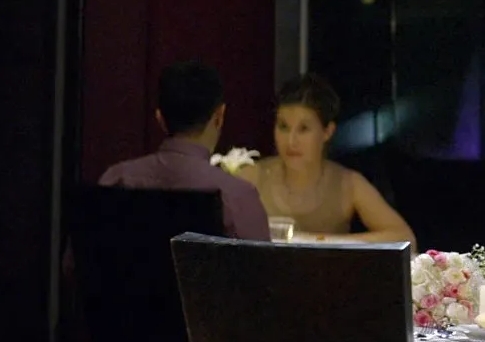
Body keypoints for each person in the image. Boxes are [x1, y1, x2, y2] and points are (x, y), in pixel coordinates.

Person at [98, 60, 269, 240]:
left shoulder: (116, 180)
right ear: (219, 116)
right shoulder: (238, 196)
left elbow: (83, 253)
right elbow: (261, 258)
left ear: (160, 119)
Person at [237, 73, 413, 242]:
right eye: (283, 127)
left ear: (327, 131)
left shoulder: (348, 184)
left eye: (304, 129)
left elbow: (404, 237)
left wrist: (320, 242)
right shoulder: (251, 177)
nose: (291, 141)